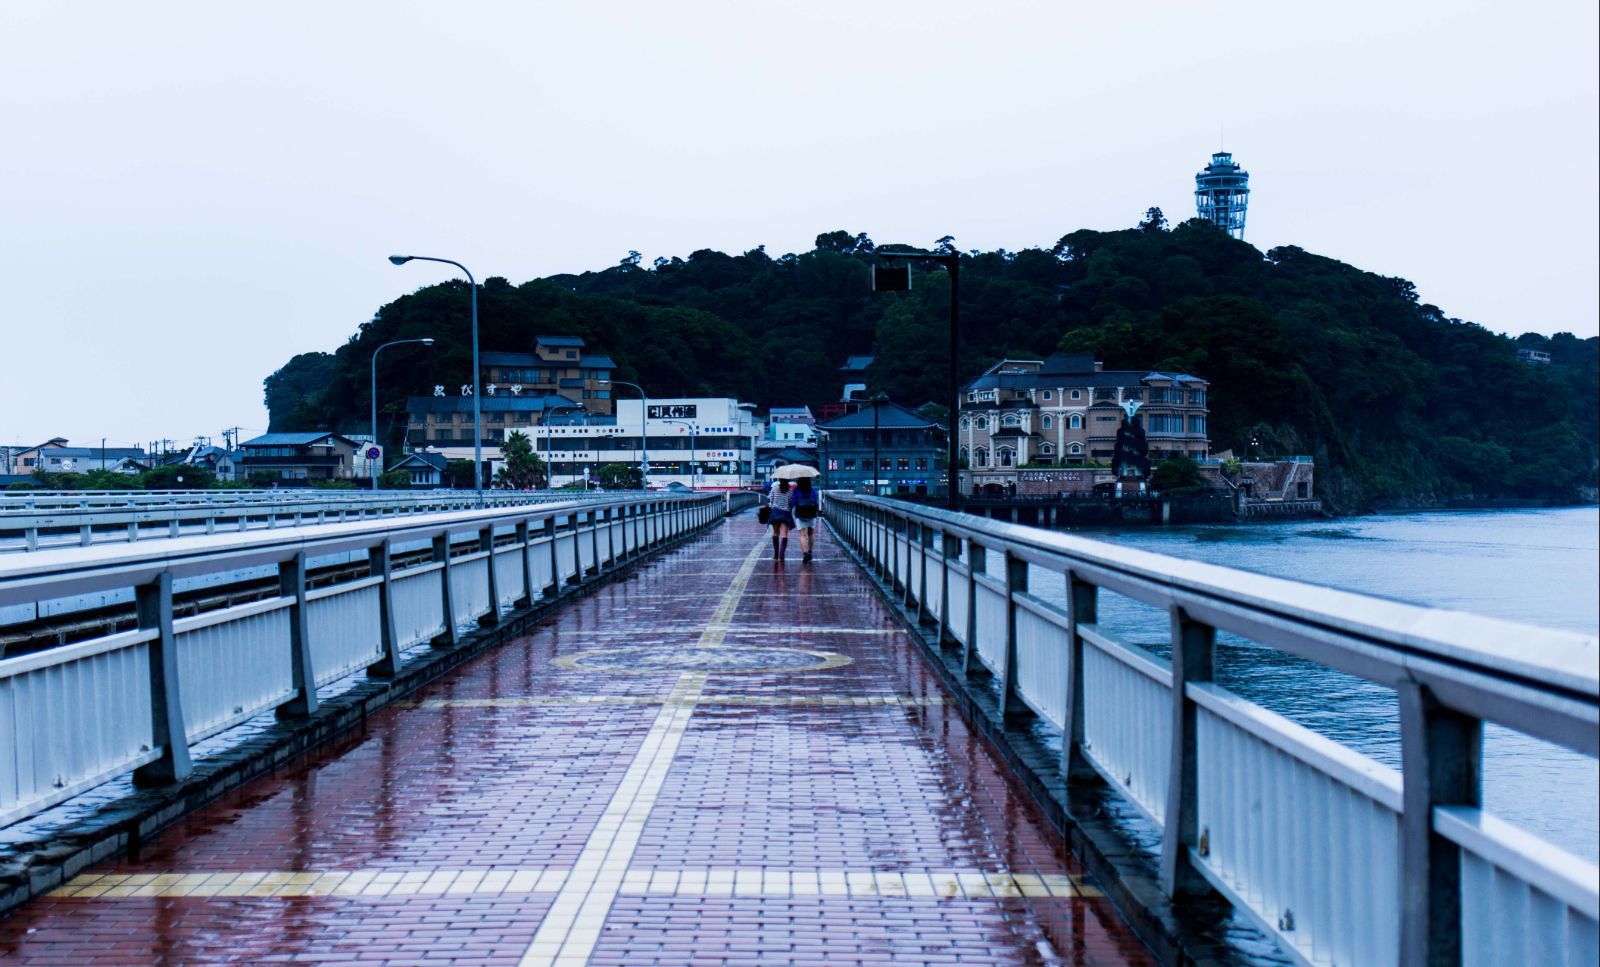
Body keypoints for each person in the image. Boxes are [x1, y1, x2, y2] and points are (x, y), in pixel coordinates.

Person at [790, 476, 820, 562]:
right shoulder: (813, 490)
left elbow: (793, 502)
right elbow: (816, 501)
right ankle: (810, 552)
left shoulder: (796, 490)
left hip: (800, 514)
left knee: (802, 534)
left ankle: (805, 554)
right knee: (811, 533)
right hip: (811, 513)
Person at [767, 478, 794, 560]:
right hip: (785, 514)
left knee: (775, 533)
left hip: (775, 512)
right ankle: (781, 555)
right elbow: (791, 503)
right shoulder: (790, 490)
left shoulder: (774, 488)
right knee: (784, 535)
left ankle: (775, 555)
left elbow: (771, 500)